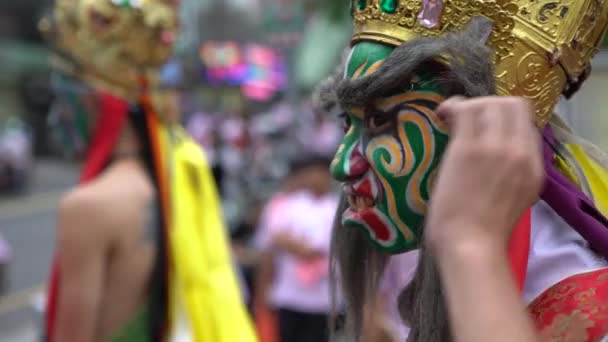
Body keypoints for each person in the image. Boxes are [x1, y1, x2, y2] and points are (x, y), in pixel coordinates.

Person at [317, 1, 608, 341]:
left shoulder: (590, 315)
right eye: (346, 122)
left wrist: (470, 245)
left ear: (476, 130)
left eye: (379, 121)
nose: (341, 165)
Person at [41, 0, 256, 341]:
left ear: (93, 100)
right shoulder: (177, 178)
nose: (57, 116)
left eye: (64, 99)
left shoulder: (87, 207)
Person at [254, 155, 339, 342]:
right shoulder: (287, 205)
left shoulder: (336, 208)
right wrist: (261, 295)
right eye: (311, 172)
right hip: (288, 297)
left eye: (321, 173)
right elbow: (269, 248)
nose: (315, 178)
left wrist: (289, 242)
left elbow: (315, 249)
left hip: (324, 301)